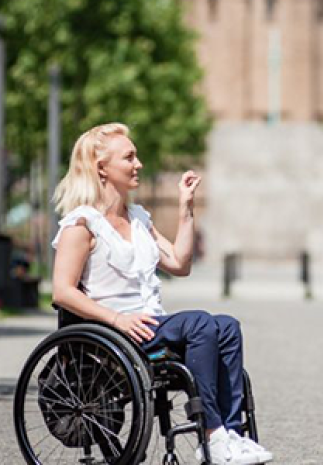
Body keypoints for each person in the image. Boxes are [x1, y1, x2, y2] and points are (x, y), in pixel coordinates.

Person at [50, 122, 273, 465]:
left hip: (151, 327)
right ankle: (212, 435)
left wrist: (186, 208)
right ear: (102, 169)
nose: (138, 164)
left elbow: (180, 264)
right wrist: (117, 319)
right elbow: (63, 292)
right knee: (200, 323)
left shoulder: (138, 218)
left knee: (227, 325)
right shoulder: (81, 225)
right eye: (129, 157)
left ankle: (230, 435)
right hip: (115, 333)